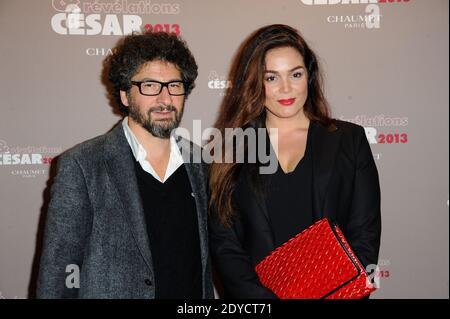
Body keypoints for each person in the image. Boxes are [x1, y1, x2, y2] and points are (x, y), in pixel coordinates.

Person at [208, 24, 381, 298]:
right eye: (271, 78)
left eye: (295, 74)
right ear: (254, 82)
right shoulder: (230, 147)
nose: (286, 88)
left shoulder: (349, 140)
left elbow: (365, 235)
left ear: (309, 77)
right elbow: (225, 245)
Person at [37, 31, 214, 299]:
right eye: (150, 86)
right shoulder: (83, 165)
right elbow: (58, 275)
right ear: (125, 95)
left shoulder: (202, 164)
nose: (165, 99)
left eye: (174, 85)